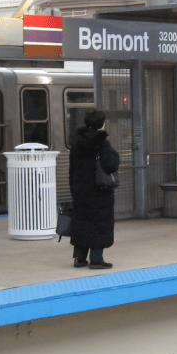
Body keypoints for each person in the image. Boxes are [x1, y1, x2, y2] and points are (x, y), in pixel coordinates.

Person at [68, 108, 120, 269]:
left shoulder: (76, 142)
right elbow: (110, 165)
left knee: (82, 223)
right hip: (99, 191)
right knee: (99, 223)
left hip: (80, 191)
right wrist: (115, 155)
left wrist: (74, 189)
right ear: (102, 124)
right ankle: (96, 259)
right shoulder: (102, 142)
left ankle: (80, 258)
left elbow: (71, 169)